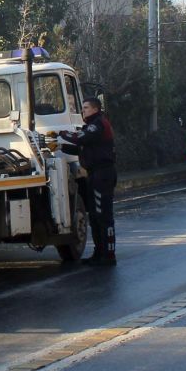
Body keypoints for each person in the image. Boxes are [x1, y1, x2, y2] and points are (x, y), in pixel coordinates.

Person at [62, 97, 117, 266]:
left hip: (103, 174)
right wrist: (59, 147)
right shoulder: (92, 126)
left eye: (86, 107)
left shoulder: (99, 123)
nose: (83, 110)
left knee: (103, 216)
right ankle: (99, 252)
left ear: (95, 109)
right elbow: (81, 146)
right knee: (93, 216)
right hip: (93, 174)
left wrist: (61, 134)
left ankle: (108, 255)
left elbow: (81, 138)